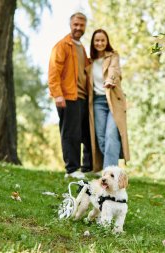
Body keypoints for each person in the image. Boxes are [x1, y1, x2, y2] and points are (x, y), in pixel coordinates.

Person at [48, 12, 92, 179]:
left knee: (86, 133)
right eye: (75, 24)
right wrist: (57, 95)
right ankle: (72, 169)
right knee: (70, 134)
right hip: (68, 97)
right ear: (70, 25)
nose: (78, 28)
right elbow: (53, 73)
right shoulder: (62, 46)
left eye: (81, 25)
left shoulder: (81, 47)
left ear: (85, 27)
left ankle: (87, 167)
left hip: (82, 97)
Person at [86, 29, 130, 172]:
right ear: (93, 43)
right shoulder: (89, 62)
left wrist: (110, 80)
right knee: (101, 139)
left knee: (111, 134)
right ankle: (112, 171)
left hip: (113, 100)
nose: (100, 43)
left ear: (107, 42)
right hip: (97, 102)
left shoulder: (113, 56)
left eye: (102, 40)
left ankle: (108, 172)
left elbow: (115, 70)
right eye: (97, 40)